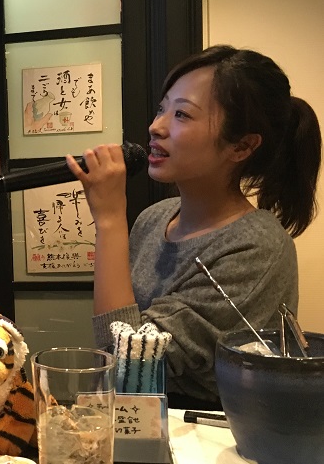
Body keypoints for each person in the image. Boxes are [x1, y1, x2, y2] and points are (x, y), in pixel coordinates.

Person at [66, 45, 321, 409]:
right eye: (162, 109)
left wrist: (109, 221)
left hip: (203, 434)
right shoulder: (154, 218)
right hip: (135, 423)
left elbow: (131, 365)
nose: (156, 126)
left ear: (241, 147)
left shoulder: (257, 247)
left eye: (182, 114)